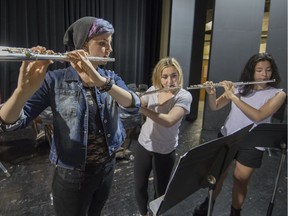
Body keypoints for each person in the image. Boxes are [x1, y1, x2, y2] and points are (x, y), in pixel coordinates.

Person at [0, 16, 140, 216]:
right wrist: (22, 92)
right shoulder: (55, 80)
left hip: (107, 167)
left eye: (110, 42)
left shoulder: (110, 78)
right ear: (82, 47)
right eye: (102, 43)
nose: (109, 49)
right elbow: (10, 122)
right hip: (73, 174)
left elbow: (134, 105)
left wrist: (101, 82)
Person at [193, 52, 286, 216]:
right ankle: (208, 204)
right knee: (218, 175)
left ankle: (235, 212)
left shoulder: (278, 94)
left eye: (268, 70)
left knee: (240, 180)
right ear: (251, 71)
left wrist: (234, 97)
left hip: (253, 142)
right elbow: (215, 106)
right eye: (259, 70)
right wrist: (211, 93)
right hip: (228, 136)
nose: (264, 74)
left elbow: (258, 116)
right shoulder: (239, 87)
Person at [133, 57, 193, 216]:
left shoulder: (184, 96)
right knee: (139, 187)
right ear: (159, 77)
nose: (169, 81)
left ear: (179, 76)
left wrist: (140, 108)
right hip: (144, 144)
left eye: (173, 75)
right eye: (165, 76)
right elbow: (140, 102)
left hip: (165, 149)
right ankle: (142, 213)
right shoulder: (154, 89)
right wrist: (135, 98)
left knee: (160, 192)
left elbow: (168, 121)